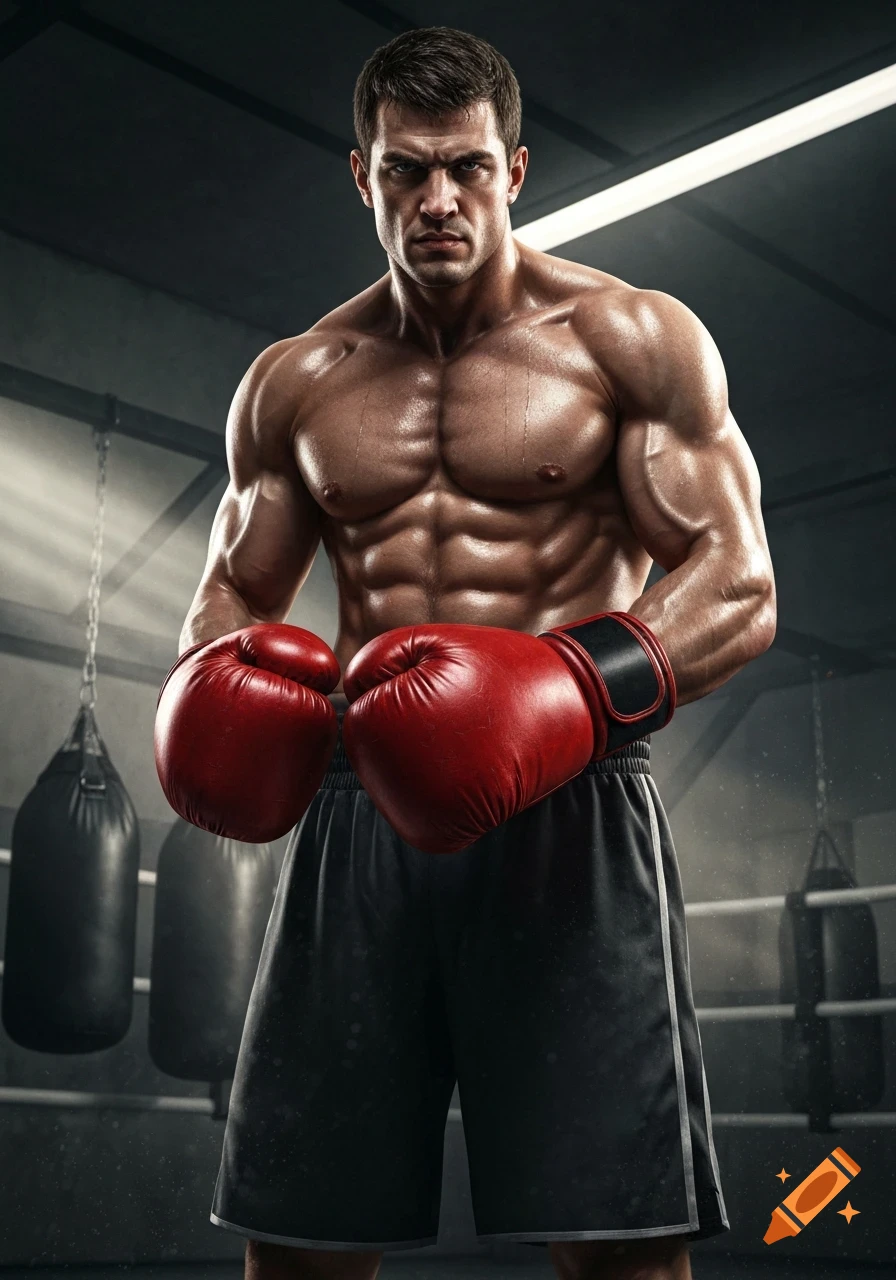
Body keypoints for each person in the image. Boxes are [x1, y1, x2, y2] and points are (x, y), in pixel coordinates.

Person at [155, 26, 776, 1280]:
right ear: (361, 175)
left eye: (466, 168)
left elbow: (738, 584)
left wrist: (561, 682)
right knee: (301, 1243)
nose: (435, 199)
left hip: (570, 803)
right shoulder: (294, 382)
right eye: (403, 171)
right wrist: (216, 691)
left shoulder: (628, 340)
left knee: (619, 1245)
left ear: (515, 168)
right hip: (355, 811)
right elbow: (230, 592)